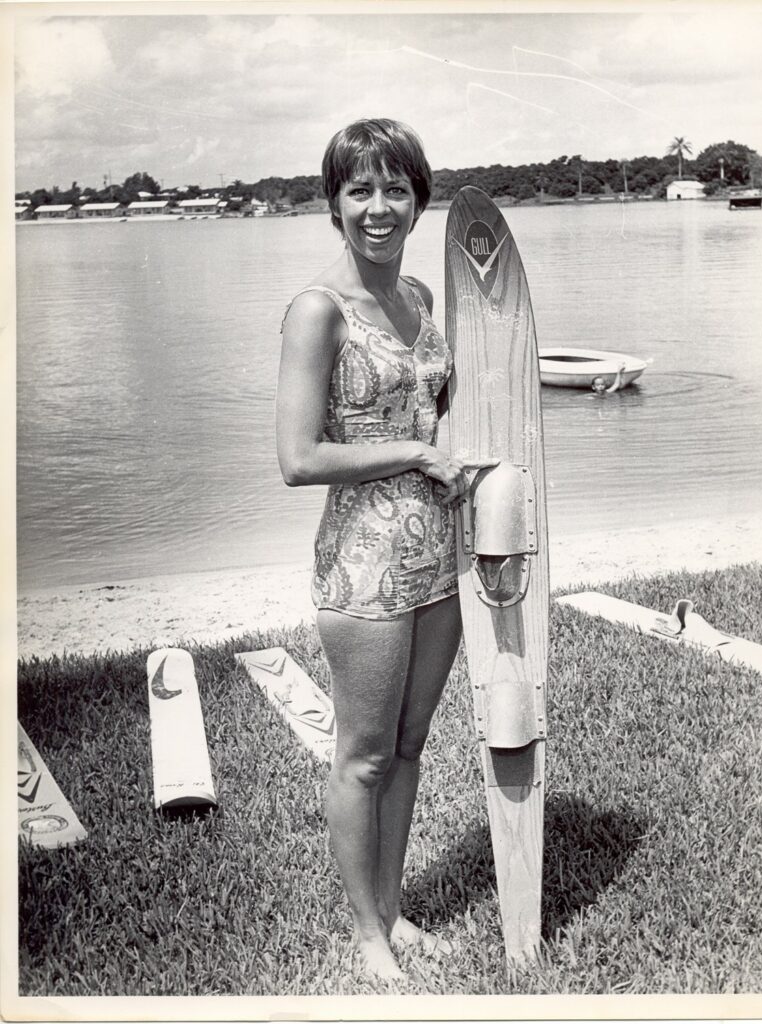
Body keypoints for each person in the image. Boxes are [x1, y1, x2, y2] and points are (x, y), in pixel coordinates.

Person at [275, 118, 470, 981]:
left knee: (412, 743)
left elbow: (436, 406)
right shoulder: (318, 312)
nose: (379, 206)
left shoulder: (421, 298)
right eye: (360, 190)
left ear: (419, 201)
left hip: (437, 554)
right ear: (334, 205)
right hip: (363, 562)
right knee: (362, 753)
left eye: (397, 188)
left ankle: (393, 910)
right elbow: (298, 459)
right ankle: (365, 936)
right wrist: (418, 452)